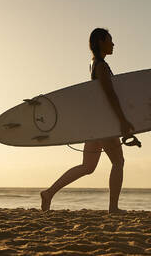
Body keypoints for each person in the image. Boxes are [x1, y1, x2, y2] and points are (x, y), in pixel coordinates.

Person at [40, 28, 134, 213]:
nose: (113, 44)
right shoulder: (101, 66)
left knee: (87, 167)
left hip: (94, 123)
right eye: (110, 40)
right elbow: (110, 94)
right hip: (103, 123)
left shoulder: (93, 63)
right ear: (100, 41)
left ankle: (49, 193)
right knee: (118, 162)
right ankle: (113, 208)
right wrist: (122, 120)